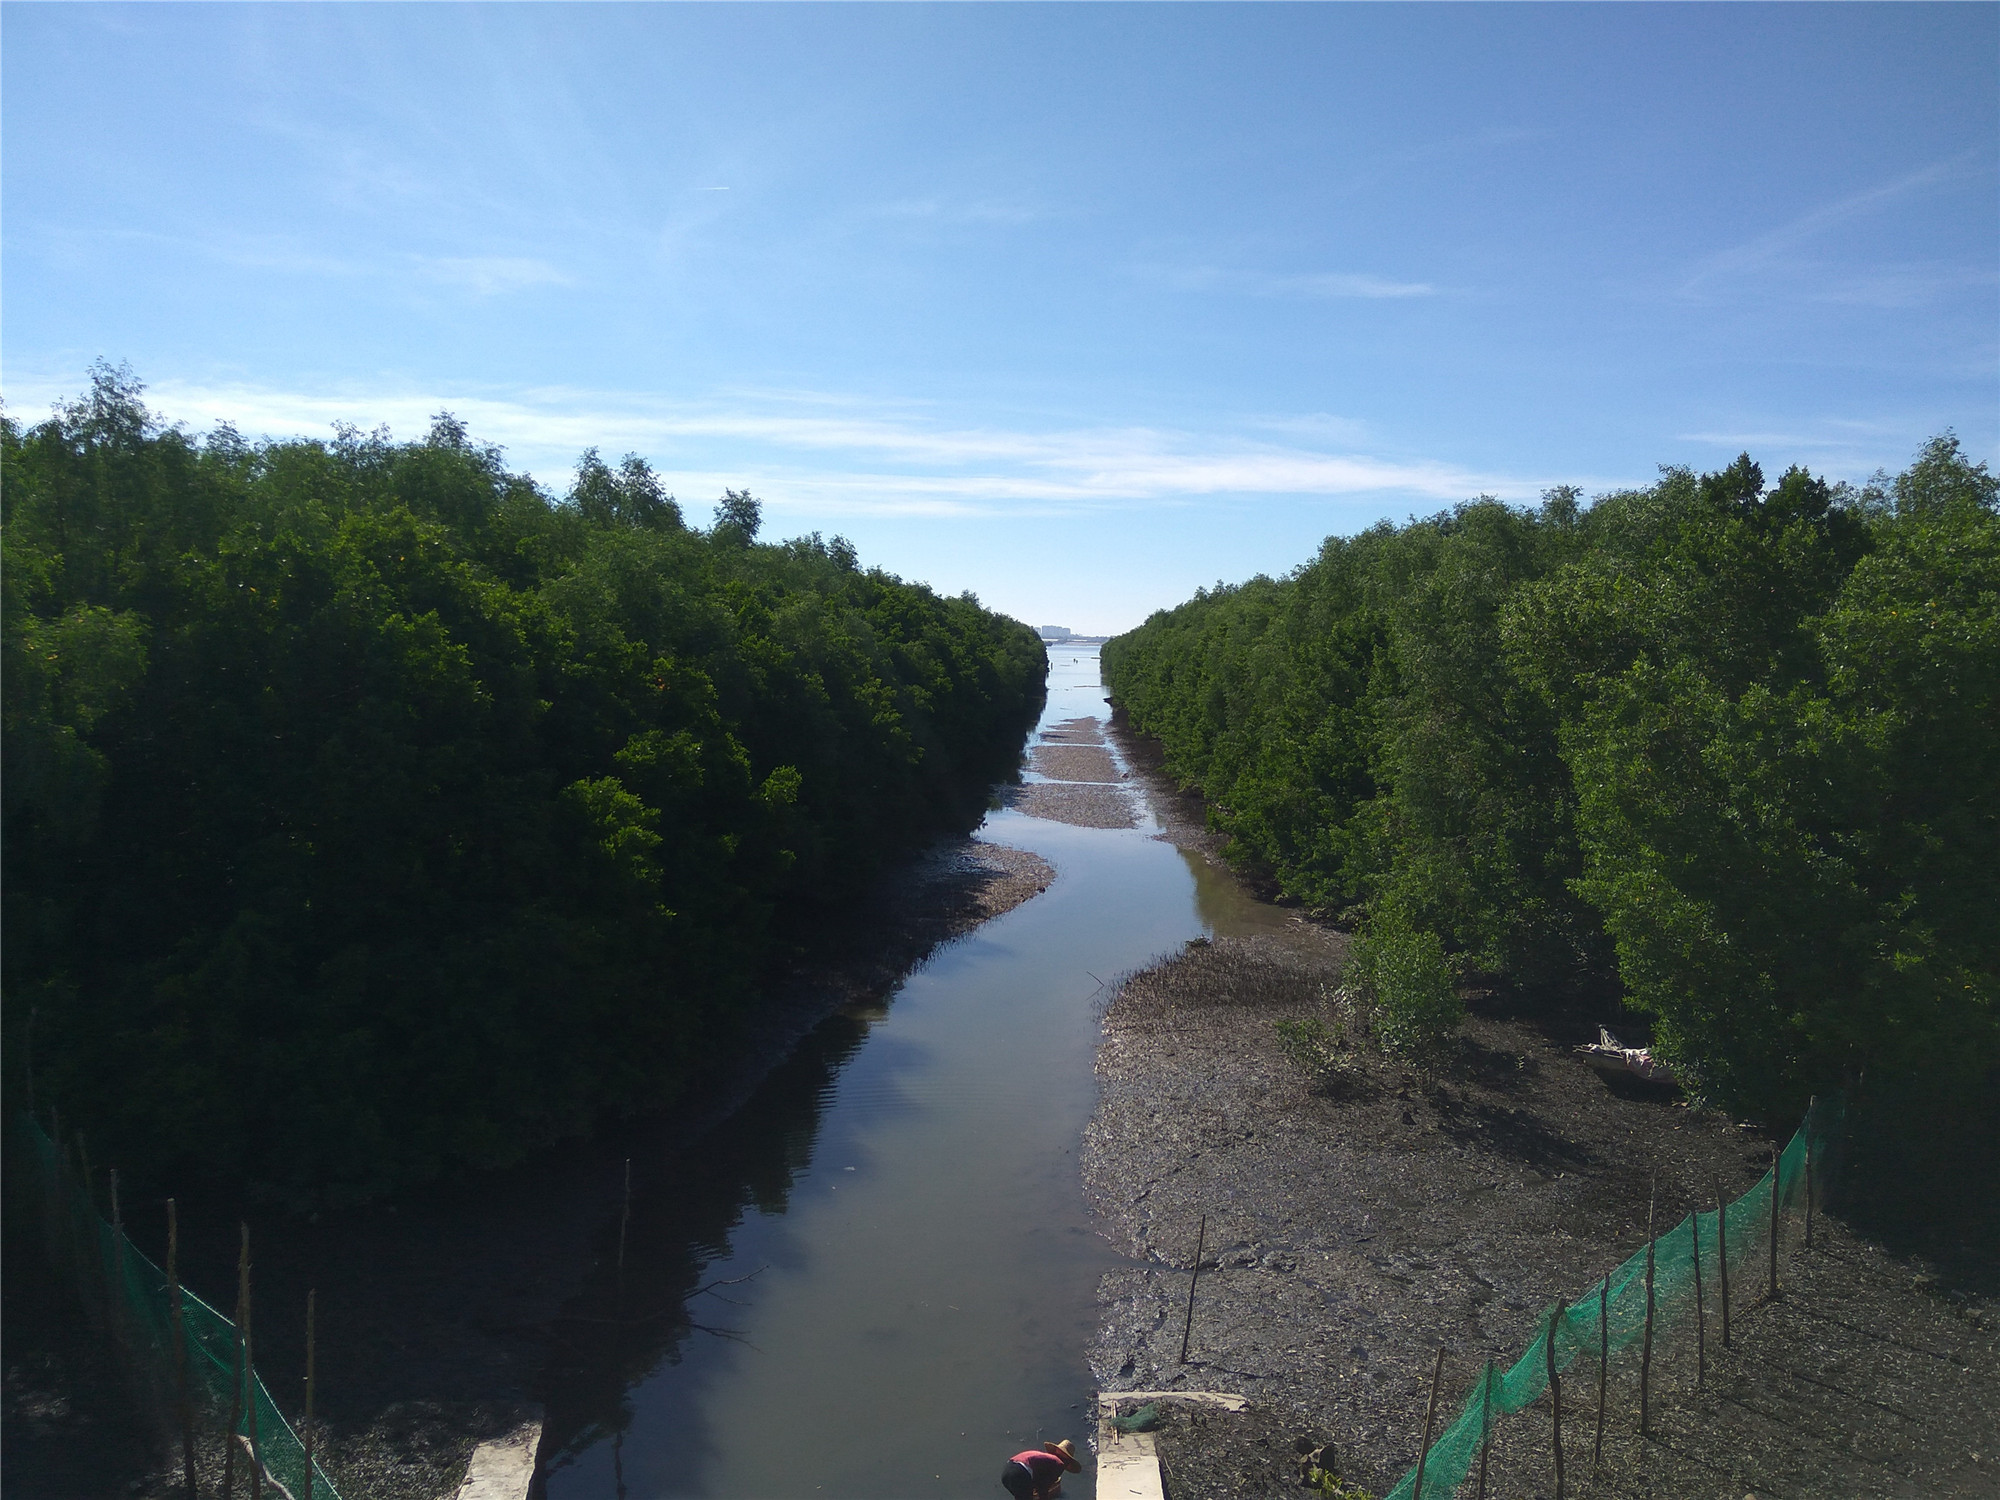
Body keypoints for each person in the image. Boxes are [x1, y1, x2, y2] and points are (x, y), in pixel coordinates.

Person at [1001, 1440, 1081, 1500]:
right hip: (1020, 1473)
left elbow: (1038, 1479)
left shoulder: (1045, 1458)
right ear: (1067, 1461)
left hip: (1007, 1472)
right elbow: (1043, 1485)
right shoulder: (1058, 1463)